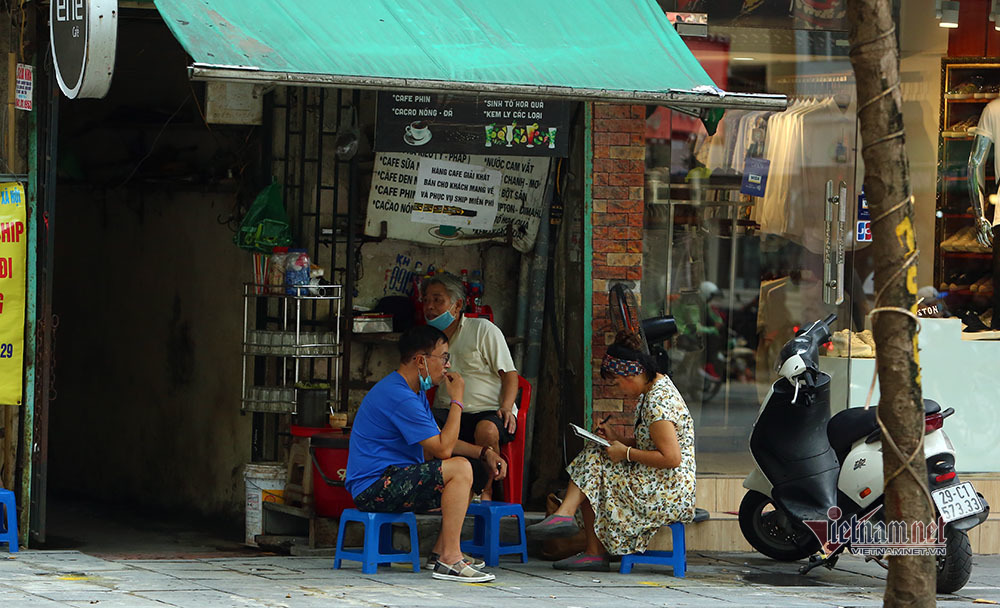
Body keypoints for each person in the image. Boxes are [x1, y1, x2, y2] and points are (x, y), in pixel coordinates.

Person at [345, 325, 507, 583]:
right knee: (460, 468)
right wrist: (457, 400)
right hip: (374, 486)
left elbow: (440, 439)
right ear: (421, 360)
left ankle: (441, 551)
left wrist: (484, 452)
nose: (446, 365)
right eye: (443, 357)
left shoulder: (413, 392)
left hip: (396, 479)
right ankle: (450, 560)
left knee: (472, 468)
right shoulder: (397, 394)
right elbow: (443, 449)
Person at [525, 331, 696, 571]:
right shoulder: (652, 391)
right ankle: (580, 534)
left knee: (595, 463)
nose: (617, 389)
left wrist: (625, 453)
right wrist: (618, 439)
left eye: (616, 382)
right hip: (659, 480)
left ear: (633, 373)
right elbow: (651, 444)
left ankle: (574, 524)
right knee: (596, 459)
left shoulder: (659, 403)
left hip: (669, 491)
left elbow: (671, 458)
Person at [422, 272, 518, 500]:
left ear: (457, 305)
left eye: (438, 300)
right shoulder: (429, 340)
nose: (430, 307)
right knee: (423, 429)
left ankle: (484, 491)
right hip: (449, 410)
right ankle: (431, 491)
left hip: (486, 411)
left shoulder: (482, 329)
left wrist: (506, 406)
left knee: (486, 429)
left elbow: (510, 374)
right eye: (426, 300)